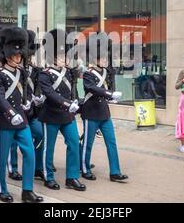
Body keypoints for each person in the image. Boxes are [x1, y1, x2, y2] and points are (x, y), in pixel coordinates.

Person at [38, 29, 86, 192]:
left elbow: (76, 85)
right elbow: (50, 94)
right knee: (48, 147)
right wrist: (67, 104)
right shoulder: (45, 74)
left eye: (65, 55)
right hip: (51, 115)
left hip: (67, 116)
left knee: (73, 143)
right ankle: (48, 176)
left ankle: (72, 177)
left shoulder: (70, 73)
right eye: (61, 55)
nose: (64, 58)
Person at [80, 32, 128, 183]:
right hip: (91, 113)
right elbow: (93, 88)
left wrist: (112, 96)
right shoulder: (88, 73)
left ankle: (115, 171)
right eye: (103, 57)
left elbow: (108, 86)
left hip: (104, 114)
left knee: (111, 143)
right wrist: (110, 94)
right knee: (88, 144)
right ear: (95, 58)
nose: (106, 59)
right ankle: (84, 168)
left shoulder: (107, 72)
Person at [8, 30, 47, 182]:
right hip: (16, 109)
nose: (30, 57)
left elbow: (38, 87)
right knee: (12, 141)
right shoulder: (14, 69)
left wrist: (39, 97)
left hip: (32, 111)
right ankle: (13, 168)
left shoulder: (36, 70)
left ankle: (37, 167)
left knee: (40, 135)